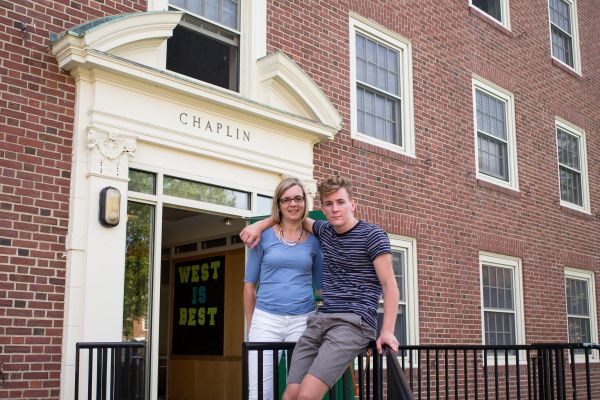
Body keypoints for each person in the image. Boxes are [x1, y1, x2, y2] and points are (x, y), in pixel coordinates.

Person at [240, 176, 399, 400]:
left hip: (353, 322)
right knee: (289, 395)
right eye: (329, 204)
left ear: (353, 204)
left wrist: (388, 331)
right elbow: (293, 217)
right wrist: (259, 224)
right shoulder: (325, 232)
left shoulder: (372, 235)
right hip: (320, 321)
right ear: (322, 208)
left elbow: (389, 285)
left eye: (340, 202)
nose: (335, 209)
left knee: (306, 396)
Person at [244, 177, 323, 400]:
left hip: (303, 321)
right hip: (266, 320)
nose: (293, 204)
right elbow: (249, 286)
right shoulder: (262, 237)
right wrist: (253, 326)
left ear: (305, 202)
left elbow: (321, 289)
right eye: (286, 199)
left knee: (300, 390)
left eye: (298, 198)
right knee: (259, 391)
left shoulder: (315, 241)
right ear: (278, 204)